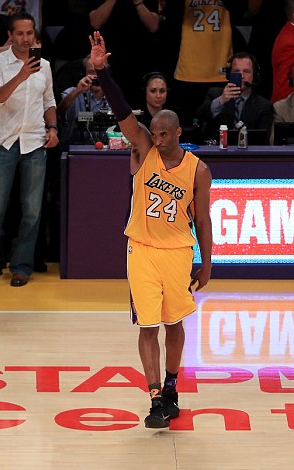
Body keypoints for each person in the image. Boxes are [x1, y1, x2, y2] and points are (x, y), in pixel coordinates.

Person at [90, 30, 213, 428]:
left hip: (178, 252)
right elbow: (122, 109)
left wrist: (207, 262)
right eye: (153, 134)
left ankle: (174, 385)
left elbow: (204, 219)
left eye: (163, 134)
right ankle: (156, 396)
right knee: (147, 325)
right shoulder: (142, 146)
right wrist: (102, 71)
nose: (156, 140)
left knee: (174, 322)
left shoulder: (199, 170)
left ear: (178, 133)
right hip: (141, 248)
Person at [0, 12, 59, 288]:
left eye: (29, 33)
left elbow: (49, 101)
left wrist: (53, 128)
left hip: (34, 142)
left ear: (34, 34)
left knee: (31, 211)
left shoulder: (43, 65)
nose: (24, 39)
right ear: (10, 35)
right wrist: (21, 76)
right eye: (19, 33)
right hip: (3, 143)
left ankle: (21, 266)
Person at [88, 0, 161, 107]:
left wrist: (138, 3)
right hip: (110, 59)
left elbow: (153, 26)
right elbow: (95, 22)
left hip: (141, 59)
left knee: (137, 104)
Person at [196, 52, 273, 143]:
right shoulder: (214, 94)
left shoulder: (264, 105)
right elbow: (199, 118)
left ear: (255, 75)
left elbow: (263, 140)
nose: (242, 76)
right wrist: (221, 101)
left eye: (246, 71)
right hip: (217, 151)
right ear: (229, 74)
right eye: (236, 72)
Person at [57, 55, 110, 147]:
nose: (96, 76)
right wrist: (77, 91)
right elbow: (58, 112)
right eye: (92, 72)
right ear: (84, 74)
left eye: (100, 71)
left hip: (105, 151)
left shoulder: (114, 97)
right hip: (74, 150)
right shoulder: (73, 93)